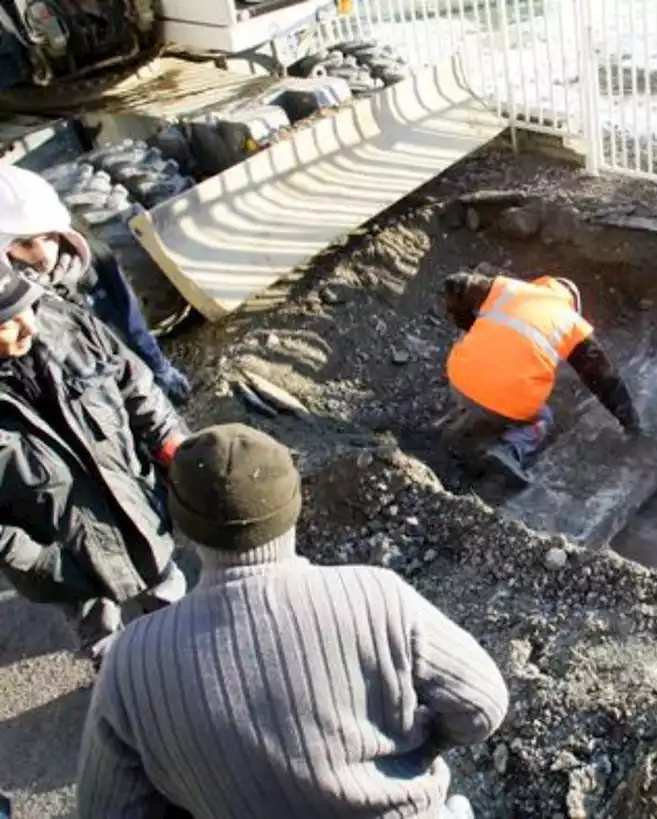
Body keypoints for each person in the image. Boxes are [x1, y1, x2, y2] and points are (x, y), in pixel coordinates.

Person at [77, 423, 509, 819]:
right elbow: (482, 705)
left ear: (182, 525)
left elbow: (107, 811)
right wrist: (417, 750)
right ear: (293, 506)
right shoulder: (374, 594)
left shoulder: (128, 664)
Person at [0, 263, 188, 668]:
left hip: (137, 512)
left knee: (171, 596)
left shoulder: (60, 320)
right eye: (5, 324)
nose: (28, 328)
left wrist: (171, 443)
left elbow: (132, 380)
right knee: (106, 643)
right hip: (64, 559)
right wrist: (40, 562)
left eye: (24, 307)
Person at [0, 164, 192, 403]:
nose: (44, 256)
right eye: (26, 244)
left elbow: (130, 319)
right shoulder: (11, 305)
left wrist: (159, 368)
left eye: (48, 237)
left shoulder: (94, 258)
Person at [441, 269, 643, 485]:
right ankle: (510, 450)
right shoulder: (571, 322)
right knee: (542, 418)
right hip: (501, 402)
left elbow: (455, 283)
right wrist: (632, 424)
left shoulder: (508, 288)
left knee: (490, 385)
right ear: (573, 306)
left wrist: (468, 325)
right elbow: (605, 380)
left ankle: (471, 415)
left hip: (458, 377)